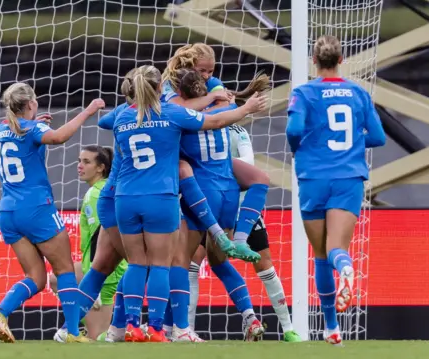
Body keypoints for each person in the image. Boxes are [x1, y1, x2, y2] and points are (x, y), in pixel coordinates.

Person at [113, 65, 267, 342]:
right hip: (167, 195)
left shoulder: (120, 118)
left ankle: (131, 325)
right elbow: (214, 121)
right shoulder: (173, 115)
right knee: (165, 264)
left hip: (125, 197)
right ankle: (161, 328)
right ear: (161, 89)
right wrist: (245, 107)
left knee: (137, 264)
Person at [286, 35, 386, 346]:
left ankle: (331, 327)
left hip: (313, 176)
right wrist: (354, 144)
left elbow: (293, 130)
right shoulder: (358, 92)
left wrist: (299, 149)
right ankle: (346, 269)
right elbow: (379, 137)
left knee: (319, 254)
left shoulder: (303, 93)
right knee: (337, 249)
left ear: (314, 62)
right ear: (341, 60)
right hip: (348, 177)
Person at [0, 82, 104, 343]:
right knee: (64, 270)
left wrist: (36, 123)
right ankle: (73, 333)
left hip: (8, 211)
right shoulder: (32, 129)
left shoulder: (1, 129)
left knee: (36, 278)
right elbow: (59, 137)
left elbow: (24, 139)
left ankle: (1, 310)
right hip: (37, 208)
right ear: (30, 104)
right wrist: (88, 110)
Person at [186, 122, 302, 342]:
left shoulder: (236, 130)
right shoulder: (197, 125)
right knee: (195, 261)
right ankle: (188, 328)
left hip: (241, 206)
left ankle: (287, 329)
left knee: (263, 262)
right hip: (209, 204)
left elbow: (249, 162)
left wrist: (216, 168)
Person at [161, 43, 271, 258]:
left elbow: (224, 108)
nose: (206, 75)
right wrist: (212, 101)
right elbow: (180, 111)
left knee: (260, 179)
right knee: (185, 258)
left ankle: (240, 240)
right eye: (201, 70)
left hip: (218, 162)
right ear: (189, 65)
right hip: (186, 159)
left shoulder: (213, 82)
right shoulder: (169, 84)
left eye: (210, 70)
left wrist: (212, 107)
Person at [50, 146, 128, 341]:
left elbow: (99, 238)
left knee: (98, 340)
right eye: (79, 161)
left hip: (106, 273)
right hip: (98, 267)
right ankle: (78, 323)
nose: (79, 166)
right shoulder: (103, 189)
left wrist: (95, 277)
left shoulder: (96, 194)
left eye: (86, 162)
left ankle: (80, 326)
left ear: (101, 167)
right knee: (55, 279)